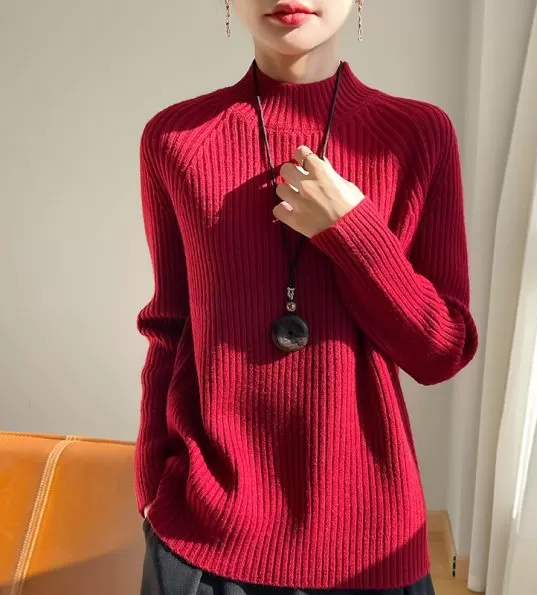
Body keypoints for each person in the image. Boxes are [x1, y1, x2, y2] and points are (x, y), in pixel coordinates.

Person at [135, 1, 478, 594]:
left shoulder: (418, 136)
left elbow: (441, 351)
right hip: (202, 540)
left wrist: (351, 230)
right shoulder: (176, 139)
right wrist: (151, 487)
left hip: (370, 544)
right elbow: (169, 328)